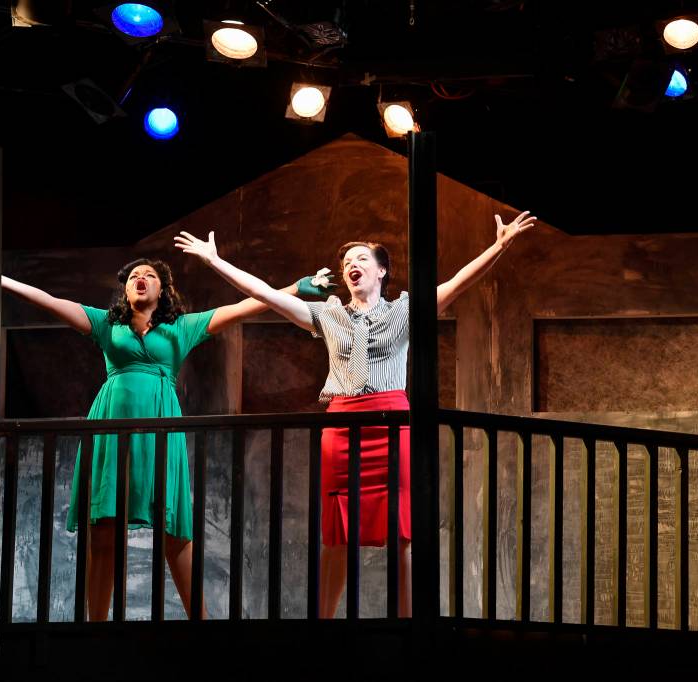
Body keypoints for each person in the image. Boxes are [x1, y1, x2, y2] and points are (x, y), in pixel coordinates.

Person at [174, 210, 535, 617]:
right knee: (336, 531)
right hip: (342, 425)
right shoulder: (329, 315)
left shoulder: (404, 311)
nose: (351, 266)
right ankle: (325, 622)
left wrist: (500, 246)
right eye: (347, 263)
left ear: (382, 271)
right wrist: (215, 260)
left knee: (402, 528)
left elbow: (455, 284)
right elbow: (267, 296)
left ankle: (408, 622)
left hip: (392, 422)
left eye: (362, 259)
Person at [0, 258, 332, 620]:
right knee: (104, 530)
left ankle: (203, 625)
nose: (140, 278)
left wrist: (297, 288)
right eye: (134, 274)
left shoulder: (181, 328)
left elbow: (243, 307)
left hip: (160, 429)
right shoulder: (107, 325)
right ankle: (97, 628)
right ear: (125, 288)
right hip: (110, 429)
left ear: (162, 289)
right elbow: (53, 302)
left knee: (174, 530)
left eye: (149, 274)